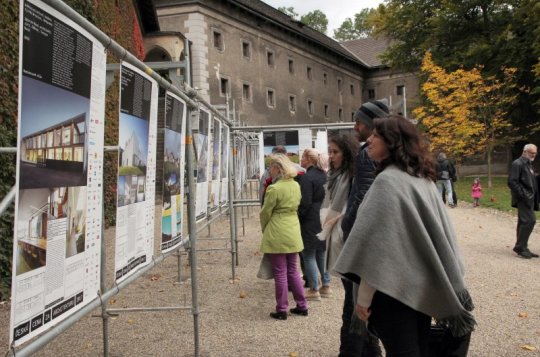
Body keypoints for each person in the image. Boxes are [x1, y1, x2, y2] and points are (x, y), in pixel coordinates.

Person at [334, 115, 476, 356]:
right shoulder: (421, 179)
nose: (369, 140)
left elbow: (375, 252)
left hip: (392, 293)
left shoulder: (387, 183)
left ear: (393, 142)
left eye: (376, 135)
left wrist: (363, 301)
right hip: (420, 290)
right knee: (418, 348)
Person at [340, 99, 389, 357]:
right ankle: (372, 352)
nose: (354, 125)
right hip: (357, 238)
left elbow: (364, 199)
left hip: (360, 241)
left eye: (358, 121)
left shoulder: (370, 154)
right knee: (358, 307)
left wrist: (348, 224)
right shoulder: (367, 151)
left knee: (354, 308)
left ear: (371, 125)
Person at [259, 153, 308, 320]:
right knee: (294, 270)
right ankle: (302, 305)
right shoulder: (295, 185)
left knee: (280, 272)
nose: (269, 170)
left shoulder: (274, 188)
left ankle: (282, 309)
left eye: (270, 167)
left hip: (277, 230)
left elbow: (265, 212)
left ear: (277, 168)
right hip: (293, 228)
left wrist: (264, 228)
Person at [318, 135, 358, 279]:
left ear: (346, 153)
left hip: (344, 229)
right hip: (336, 227)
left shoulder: (351, 176)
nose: (331, 156)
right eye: (330, 152)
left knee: (349, 281)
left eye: (336, 152)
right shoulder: (336, 175)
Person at [298, 148, 329, 301]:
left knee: (308, 253)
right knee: (321, 252)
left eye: (302, 157)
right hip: (323, 215)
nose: (300, 160)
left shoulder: (307, 178)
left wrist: (299, 216)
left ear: (309, 159)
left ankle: (314, 288)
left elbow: (305, 202)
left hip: (310, 218)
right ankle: (326, 285)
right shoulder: (324, 175)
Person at [508, 143, 539, 259]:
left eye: (535, 153)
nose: (533, 155)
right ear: (524, 151)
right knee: (530, 221)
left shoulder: (528, 164)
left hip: (530, 198)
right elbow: (512, 181)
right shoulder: (518, 163)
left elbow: (530, 180)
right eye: (531, 152)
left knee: (523, 222)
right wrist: (523, 195)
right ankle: (520, 247)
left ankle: (522, 247)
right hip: (524, 198)